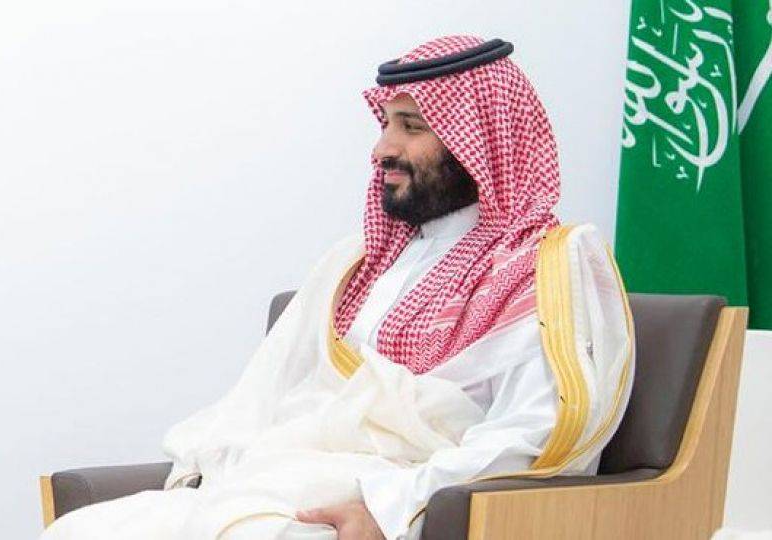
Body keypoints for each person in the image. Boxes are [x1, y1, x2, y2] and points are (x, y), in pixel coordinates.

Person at [40, 34, 634, 540]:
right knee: (79, 531)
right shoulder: (358, 265)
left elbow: (536, 434)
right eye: (385, 125)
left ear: (482, 140)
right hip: (285, 476)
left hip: (397, 495)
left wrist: (391, 506)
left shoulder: (546, 265)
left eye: (411, 127)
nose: (383, 150)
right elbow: (269, 399)